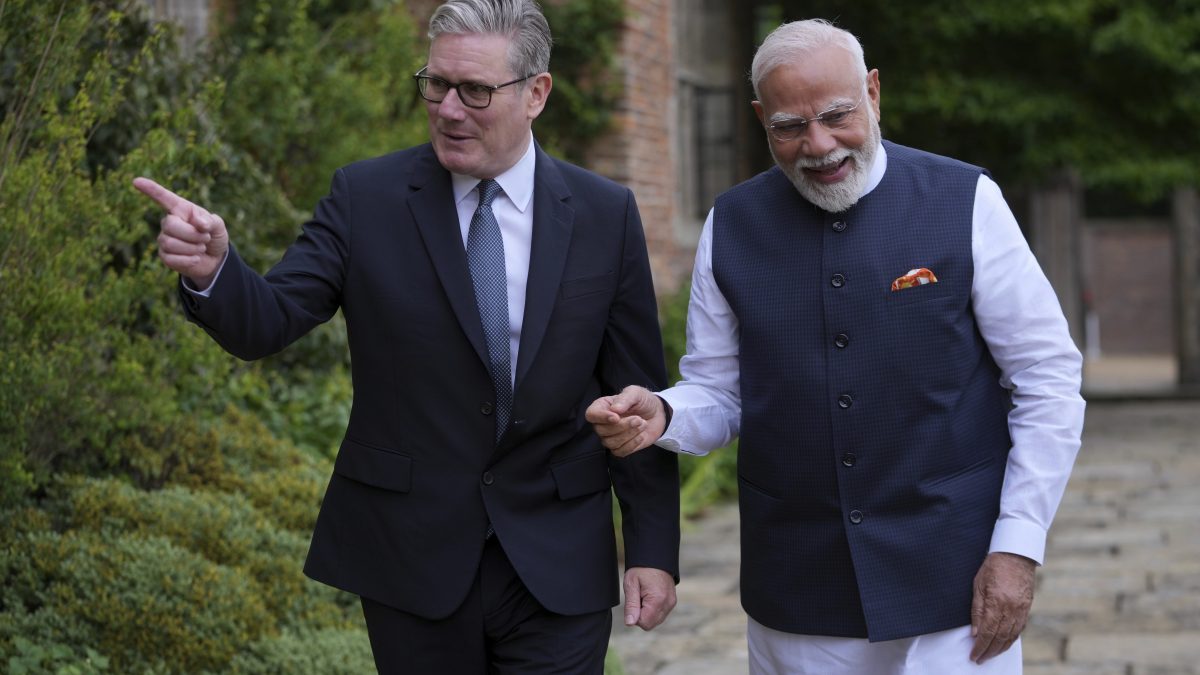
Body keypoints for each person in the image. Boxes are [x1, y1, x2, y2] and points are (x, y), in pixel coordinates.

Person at [134, 0, 680, 672]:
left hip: (556, 556)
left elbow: (638, 397)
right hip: (412, 555)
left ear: (536, 93)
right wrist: (217, 269)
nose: (449, 109)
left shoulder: (605, 213)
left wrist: (654, 548)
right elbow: (270, 318)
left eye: (475, 90)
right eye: (436, 84)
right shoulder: (365, 198)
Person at [587, 18, 1085, 675]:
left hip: (956, 581)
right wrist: (665, 414)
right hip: (799, 591)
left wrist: (1018, 548)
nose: (818, 144)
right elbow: (718, 393)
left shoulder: (965, 202)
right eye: (789, 126)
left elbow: (1047, 379)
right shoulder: (730, 225)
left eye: (837, 114)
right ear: (762, 117)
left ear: (873, 93)